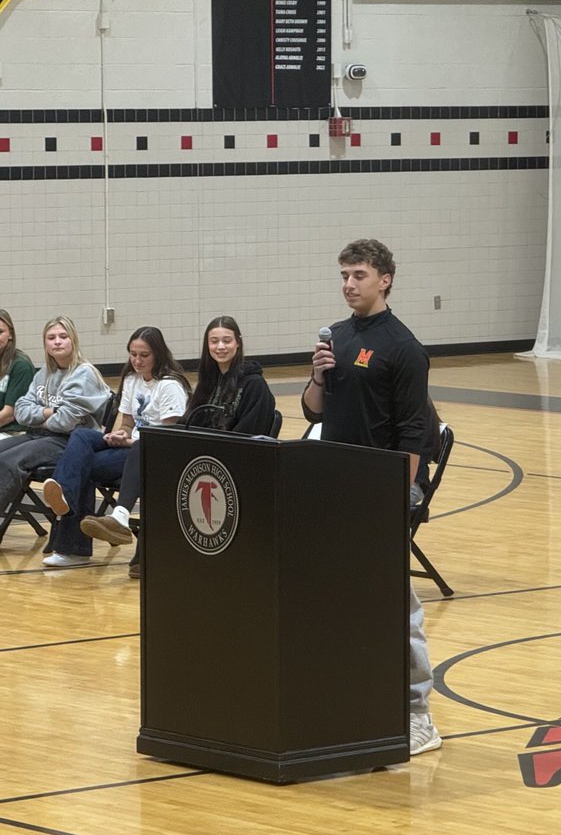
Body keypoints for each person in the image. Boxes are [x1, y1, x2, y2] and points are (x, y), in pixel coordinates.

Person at [301, 237, 442, 756]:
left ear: (385, 279)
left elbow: (414, 438)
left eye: (358, 275)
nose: (348, 285)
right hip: (334, 483)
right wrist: (318, 375)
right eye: (343, 275)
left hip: (382, 488)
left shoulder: (403, 348)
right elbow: (315, 409)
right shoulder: (336, 337)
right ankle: (349, 692)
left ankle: (417, 709)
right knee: (335, 593)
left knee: (394, 601)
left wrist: (393, 496)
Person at [81, 315, 277, 579]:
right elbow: (188, 422)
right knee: (148, 444)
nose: (220, 346)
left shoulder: (254, 385)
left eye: (226, 341)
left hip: (232, 462)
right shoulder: (210, 381)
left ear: (238, 343)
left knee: (151, 459)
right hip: (201, 454)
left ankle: (128, 527)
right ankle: (125, 525)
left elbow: (249, 436)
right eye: (214, 341)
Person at [39, 327, 190, 567]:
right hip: (132, 446)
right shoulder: (131, 379)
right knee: (81, 436)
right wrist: (122, 433)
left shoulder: (169, 385)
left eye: (144, 355)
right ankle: (64, 495)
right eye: (133, 354)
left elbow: (167, 437)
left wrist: (130, 441)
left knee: (82, 466)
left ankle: (73, 549)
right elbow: (129, 422)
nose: (137, 361)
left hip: (152, 454)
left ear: (158, 354)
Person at [0, 317, 109, 520]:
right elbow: (21, 411)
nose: (57, 341)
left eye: (63, 336)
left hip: (68, 441)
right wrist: (51, 411)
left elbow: (65, 422)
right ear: (45, 343)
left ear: (73, 340)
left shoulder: (84, 374)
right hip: (39, 435)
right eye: (51, 338)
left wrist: (39, 415)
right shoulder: (45, 373)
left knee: (8, 461)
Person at [0, 309, 35, 437]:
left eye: (0, 332)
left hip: (12, 431)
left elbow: (9, 414)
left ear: (10, 334)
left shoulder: (21, 365)